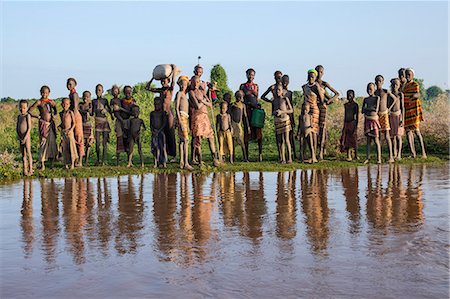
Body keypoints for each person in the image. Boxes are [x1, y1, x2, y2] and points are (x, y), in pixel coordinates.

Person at [146, 64, 177, 160]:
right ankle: (164, 154)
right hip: (161, 114)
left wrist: (174, 73)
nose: (163, 82)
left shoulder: (170, 89)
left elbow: (173, 83)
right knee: (162, 134)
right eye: (162, 81)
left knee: (170, 134)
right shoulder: (160, 90)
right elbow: (147, 88)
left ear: (168, 81)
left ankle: (173, 155)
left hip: (169, 113)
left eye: (165, 80)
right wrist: (153, 77)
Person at [189, 76, 219, 166]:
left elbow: (210, 104)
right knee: (198, 139)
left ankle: (215, 158)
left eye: (198, 82)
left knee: (211, 137)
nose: (196, 84)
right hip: (197, 116)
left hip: (205, 116)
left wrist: (202, 100)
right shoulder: (191, 92)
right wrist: (203, 101)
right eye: (194, 82)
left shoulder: (202, 91)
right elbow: (197, 106)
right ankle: (200, 160)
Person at [28, 85, 57, 170]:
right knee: (43, 143)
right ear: (40, 93)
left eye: (46, 92)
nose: (45, 94)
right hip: (43, 124)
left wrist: (54, 108)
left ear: (49, 93)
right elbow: (29, 111)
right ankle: (43, 164)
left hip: (51, 124)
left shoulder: (50, 102)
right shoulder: (39, 102)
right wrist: (37, 117)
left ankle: (52, 164)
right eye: (43, 92)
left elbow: (55, 111)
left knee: (52, 143)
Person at [315, 65, 340, 160]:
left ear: (323, 73)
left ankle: (321, 152)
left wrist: (329, 101)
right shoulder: (313, 84)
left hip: (322, 108)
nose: (319, 74)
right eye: (318, 71)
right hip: (314, 108)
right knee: (314, 129)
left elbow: (337, 94)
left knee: (322, 128)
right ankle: (315, 150)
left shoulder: (324, 84)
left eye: (321, 72)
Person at [239, 68, 263, 161]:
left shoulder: (256, 86)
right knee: (247, 132)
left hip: (256, 111)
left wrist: (254, 93)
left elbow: (257, 98)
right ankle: (246, 156)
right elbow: (240, 98)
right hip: (247, 111)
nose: (251, 76)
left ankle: (260, 155)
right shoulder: (243, 86)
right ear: (246, 75)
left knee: (259, 132)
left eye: (252, 75)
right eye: (249, 74)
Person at [301, 69, 324, 162]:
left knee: (313, 131)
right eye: (310, 76)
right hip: (306, 109)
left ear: (315, 77)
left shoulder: (316, 86)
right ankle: (311, 155)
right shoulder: (304, 87)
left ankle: (313, 155)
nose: (311, 78)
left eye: (313, 77)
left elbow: (322, 100)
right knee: (307, 131)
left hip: (314, 110)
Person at [403, 68, 426, 159]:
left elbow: (417, 94)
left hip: (414, 111)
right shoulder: (404, 85)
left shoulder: (415, 84)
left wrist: (412, 97)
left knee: (417, 131)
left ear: (413, 75)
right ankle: (413, 153)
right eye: (406, 74)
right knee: (408, 131)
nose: (408, 76)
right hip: (407, 111)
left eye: (409, 74)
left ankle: (423, 153)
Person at [174, 76, 194, 171]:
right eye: (182, 84)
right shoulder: (179, 94)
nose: (184, 86)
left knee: (182, 141)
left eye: (185, 84)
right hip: (182, 117)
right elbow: (177, 108)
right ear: (179, 84)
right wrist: (180, 121)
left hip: (185, 117)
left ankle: (182, 162)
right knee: (186, 140)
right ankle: (185, 162)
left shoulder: (184, 95)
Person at [375, 75, 395, 163]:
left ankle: (391, 156)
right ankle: (379, 157)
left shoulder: (385, 91)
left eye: (380, 81)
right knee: (378, 136)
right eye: (377, 81)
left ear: (383, 82)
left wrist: (389, 109)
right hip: (377, 115)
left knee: (387, 135)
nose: (378, 83)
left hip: (384, 114)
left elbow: (394, 99)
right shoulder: (375, 92)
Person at [92, 84, 113, 165]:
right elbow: (91, 112)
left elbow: (110, 110)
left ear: (103, 91)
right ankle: (98, 160)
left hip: (104, 122)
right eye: (97, 90)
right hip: (97, 122)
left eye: (100, 90)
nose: (98, 92)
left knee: (104, 143)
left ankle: (104, 160)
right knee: (97, 143)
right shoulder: (93, 101)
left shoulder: (105, 100)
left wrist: (107, 110)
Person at [273, 84, 293, 163]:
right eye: (276, 90)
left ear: (282, 91)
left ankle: (290, 158)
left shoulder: (285, 99)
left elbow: (291, 110)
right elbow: (272, 111)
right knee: (280, 141)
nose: (277, 91)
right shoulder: (274, 100)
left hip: (285, 120)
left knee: (287, 140)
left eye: (279, 90)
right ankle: (283, 158)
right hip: (278, 121)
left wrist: (282, 111)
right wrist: (275, 112)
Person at [362, 83, 381, 164]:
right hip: (367, 120)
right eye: (368, 89)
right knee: (368, 140)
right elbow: (362, 110)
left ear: (374, 89)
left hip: (374, 120)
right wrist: (368, 109)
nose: (369, 90)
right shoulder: (365, 99)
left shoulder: (377, 98)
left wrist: (367, 109)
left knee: (376, 140)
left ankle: (378, 158)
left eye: (371, 89)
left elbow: (375, 109)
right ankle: (367, 158)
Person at [67, 78, 84, 167]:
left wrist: (71, 116)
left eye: (70, 84)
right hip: (73, 116)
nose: (69, 85)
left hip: (76, 116)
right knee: (73, 138)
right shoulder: (71, 94)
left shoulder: (74, 94)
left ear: (74, 85)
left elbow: (75, 108)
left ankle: (80, 161)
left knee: (79, 138)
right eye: (68, 84)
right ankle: (75, 159)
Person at [340, 90, 359, 161]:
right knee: (346, 140)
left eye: (351, 95)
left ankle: (356, 155)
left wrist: (356, 126)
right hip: (346, 123)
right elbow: (345, 115)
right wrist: (344, 125)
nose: (349, 97)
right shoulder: (346, 105)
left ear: (353, 96)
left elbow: (357, 116)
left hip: (352, 123)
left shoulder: (355, 105)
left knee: (354, 139)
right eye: (348, 95)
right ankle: (348, 155)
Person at [230, 90, 250, 162]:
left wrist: (247, 126)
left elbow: (245, 116)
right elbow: (229, 115)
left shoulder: (243, 105)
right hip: (233, 124)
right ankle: (233, 157)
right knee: (232, 141)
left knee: (242, 142)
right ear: (235, 97)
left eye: (240, 96)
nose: (239, 98)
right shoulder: (232, 105)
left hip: (239, 125)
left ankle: (245, 157)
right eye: (237, 96)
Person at [59, 98, 78, 169]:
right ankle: (66, 164)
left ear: (69, 105)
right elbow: (62, 123)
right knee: (65, 148)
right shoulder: (61, 113)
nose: (65, 105)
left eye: (67, 104)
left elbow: (74, 123)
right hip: (64, 132)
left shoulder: (70, 112)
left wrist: (71, 130)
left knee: (71, 148)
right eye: (64, 104)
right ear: (61, 104)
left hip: (69, 132)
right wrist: (60, 126)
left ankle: (72, 163)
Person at [389, 78, 405, 160]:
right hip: (391, 116)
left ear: (399, 86)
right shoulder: (389, 95)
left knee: (399, 136)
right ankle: (394, 153)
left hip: (399, 116)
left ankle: (399, 154)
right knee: (393, 136)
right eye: (393, 84)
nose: (395, 86)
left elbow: (402, 107)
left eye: (397, 84)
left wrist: (402, 119)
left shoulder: (400, 94)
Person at [281, 74, 297, 159]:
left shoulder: (290, 93)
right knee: (283, 138)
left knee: (291, 136)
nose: (285, 83)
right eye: (284, 81)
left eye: (287, 81)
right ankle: (284, 155)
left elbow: (291, 106)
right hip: (283, 116)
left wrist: (292, 118)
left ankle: (294, 154)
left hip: (289, 114)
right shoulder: (280, 92)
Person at [16, 100, 33, 176]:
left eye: (24, 108)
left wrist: (25, 138)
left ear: (27, 108)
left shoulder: (27, 116)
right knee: (23, 154)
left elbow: (29, 128)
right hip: (21, 137)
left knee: (28, 152)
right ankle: (25, 170)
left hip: (27, 137)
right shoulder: (19, 116)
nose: (22, 109)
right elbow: (17, 128)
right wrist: (19, 137)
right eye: (21, 108)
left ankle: (31, 169)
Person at [150, 97, 168, 168]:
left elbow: (164, 123)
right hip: (154, 132)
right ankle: (156, 162)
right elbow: (151, 123)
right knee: (155, 148)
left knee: (162, 147)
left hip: (161, 132)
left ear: (161, 105)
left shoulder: (163, 113)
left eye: (158, 104)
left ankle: (163, 162)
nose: (156, 106)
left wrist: (159, 130)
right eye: (155, 104)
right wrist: (153, 131)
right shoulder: (152, 113)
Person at [110, 85, 126, 164]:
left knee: (125, 138)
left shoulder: (121, 100)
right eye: (113, 91)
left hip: (123, 120)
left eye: (116, 91)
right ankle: (118, 159)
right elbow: (112, 111)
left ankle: (128, 159)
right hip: (119, 121)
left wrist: (119, 109)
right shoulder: (112, 100)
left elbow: (124, 110)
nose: (115, 93)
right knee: (119, 138)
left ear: (118, 92)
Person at [79, 90, 94, 166]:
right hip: (81, 124)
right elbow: (79, 111)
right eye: (84, 96)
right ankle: (80, 160)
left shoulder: (90, 105)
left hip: (88, 125)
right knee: (81, 142)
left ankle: (86, 161)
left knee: (88, 143)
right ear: (82, 97)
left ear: (90, 97)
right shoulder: (80, 105)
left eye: (87, 96)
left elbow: (91, 113)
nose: (85, 98)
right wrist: (85, 111)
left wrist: (87, 111)